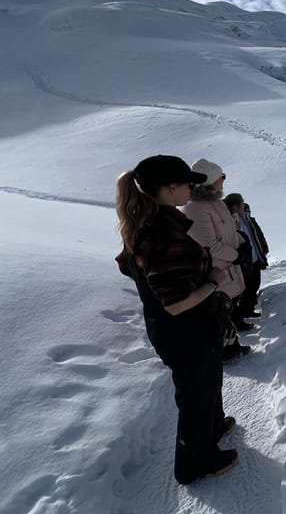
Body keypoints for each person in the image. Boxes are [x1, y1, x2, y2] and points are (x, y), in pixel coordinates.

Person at [115, 155, 238, 485]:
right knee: (195, 395)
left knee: (208, 382)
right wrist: (213, 279)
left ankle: (212, 427)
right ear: (170, 188)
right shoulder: (164, 234)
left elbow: (128, 266)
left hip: (182, 330)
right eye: (186, 183)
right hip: (186, 331)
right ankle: (196, 462)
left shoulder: (147, 222)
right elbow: (177, 304)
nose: (191, 188)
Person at [183, 159, 254, 357]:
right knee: (218, 314)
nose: (224, 179)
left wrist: (243, 243)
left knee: (225, 312)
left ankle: (231, 346)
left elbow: (231, 232)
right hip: (217, 271)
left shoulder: (217, 203)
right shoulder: (195, 209)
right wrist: (237, 255)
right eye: (221, 176)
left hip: (229, 268)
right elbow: (210, 245)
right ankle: (220, 352)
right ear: (210, 180)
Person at [223, 194, 268, 318]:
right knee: (241, 290)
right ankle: (238, 316)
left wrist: (262, 251)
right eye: (242, 203)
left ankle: (247, 310)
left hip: (252, 258)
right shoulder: (227, 220)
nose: (244, 205)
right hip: (240, 260)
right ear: (235, 206)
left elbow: (256, 236)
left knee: (253, 285)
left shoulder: (245, 218)